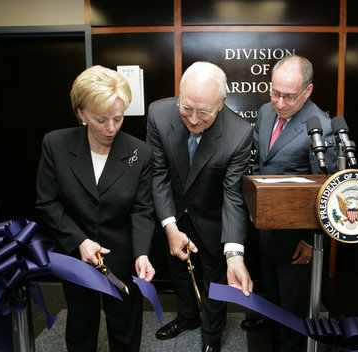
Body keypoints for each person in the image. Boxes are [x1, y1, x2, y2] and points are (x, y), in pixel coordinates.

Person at [35, 65, 156, 351]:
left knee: (125, 326)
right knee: (80, 323)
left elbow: (142, 210)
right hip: (77, 253)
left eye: (118, 117)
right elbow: (47, 201)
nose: (111, 128)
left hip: (123, 255)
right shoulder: (55, 144)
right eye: (101, 120)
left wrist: (142, 252)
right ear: (80, 113)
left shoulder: (141, 153)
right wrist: (79, 241)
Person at [146, 61, 253, 352]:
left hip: (212, 214)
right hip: (174, 212)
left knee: (215, 279)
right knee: (179, 270)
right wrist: (169, 225)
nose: (193, 119)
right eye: (186, 107)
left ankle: (211, 337)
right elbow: (159, 174)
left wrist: (234, 254)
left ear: (221, 104)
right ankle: (187, 318)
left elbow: (233, 194)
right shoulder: (158, 113)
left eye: (204, 111)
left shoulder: (239, 133)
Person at [242, 54, 337, 351]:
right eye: (275, 93)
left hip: (297, 239)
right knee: (273, 295)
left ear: (308, 91)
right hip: (266, 226)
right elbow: (259, 164)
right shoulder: (266, 112)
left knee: (293, 308)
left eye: (289, 96)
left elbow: (326, 191)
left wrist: (311, 241)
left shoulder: (320, 126)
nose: (280, 103)